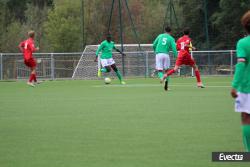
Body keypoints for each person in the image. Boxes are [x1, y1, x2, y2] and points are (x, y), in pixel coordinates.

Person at [231, 10, 250, 152]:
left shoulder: (243, 43)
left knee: (246, 118)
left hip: (246, 87)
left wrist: (234, 86)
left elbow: (241, 64)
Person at [153, 26, 178, 91]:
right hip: (166, 54)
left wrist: (155, 51)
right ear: (170, 32)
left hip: (158, 54)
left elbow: (154, 44)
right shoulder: (171, 38)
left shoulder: (160, 36)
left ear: (165, 30)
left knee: (160, 70)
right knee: (167, 71)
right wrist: (177, 57)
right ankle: (166, 86)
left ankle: (162, 78)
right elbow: (174, 49)